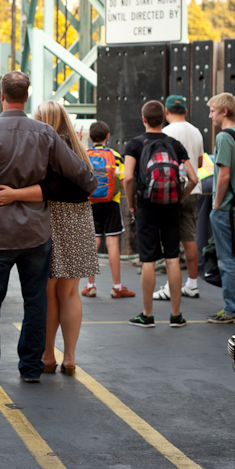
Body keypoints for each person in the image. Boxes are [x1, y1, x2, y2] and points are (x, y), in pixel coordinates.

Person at [0, 72, 97, 384]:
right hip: (36, 233)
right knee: (35, 301)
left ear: (1, 95)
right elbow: (81, 174)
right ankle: (31, 368)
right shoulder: (45, 134)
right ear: (27, 96)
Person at [123, 101, 197, 328]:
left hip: (146, 206)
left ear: (143, 118)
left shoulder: (134, 144)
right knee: (172, 257)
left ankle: (147, 315)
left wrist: (131, 204)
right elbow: (194, 179)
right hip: (172, 206)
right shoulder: (174, 144)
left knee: (148, 259)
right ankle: (176, 315)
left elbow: (127, 178)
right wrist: (179, 199)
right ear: (163, 118)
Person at [205, 93, 235, 324]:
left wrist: (216, 205)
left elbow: (223, 174)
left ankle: (233, 308)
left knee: (228, 260)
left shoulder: (224, 137)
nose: (210, 115)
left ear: (224, 112)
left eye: (213, 111)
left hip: (227, 208)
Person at [153, 95, 205, 301]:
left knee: (170, 240)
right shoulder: (196, 131)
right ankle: (192, 284)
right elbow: (200, 163)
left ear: (166, 112)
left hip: (171, 191)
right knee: (190, 238)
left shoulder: (165, 133)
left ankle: (169, 286)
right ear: (185, 111)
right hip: (194, 188)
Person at [81, 120, 136, 299]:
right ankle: (117, 286)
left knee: (92, 242)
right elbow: (122, 180)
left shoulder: (84, 154)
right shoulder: (114, 155)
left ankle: (90, 285)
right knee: (112, 243)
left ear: (90, 137)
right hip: (111, 202)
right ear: (108, 136)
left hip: (90, 203)